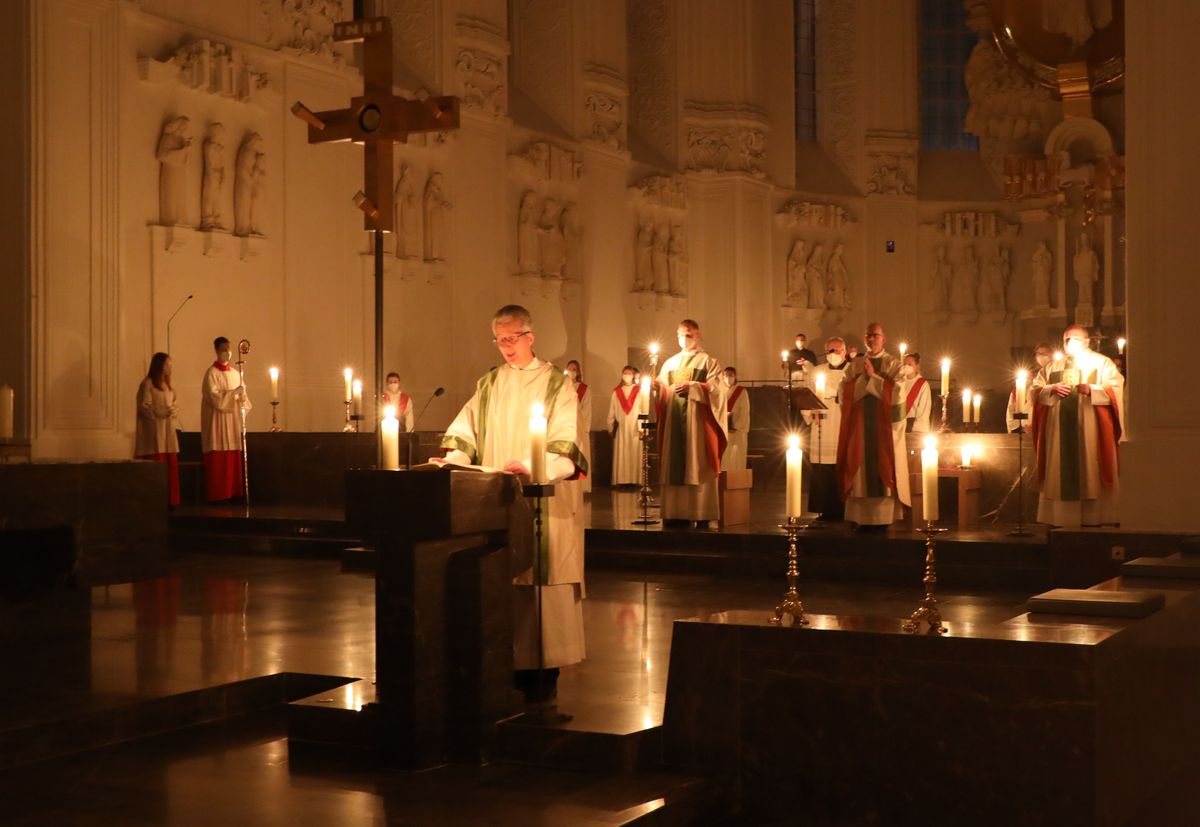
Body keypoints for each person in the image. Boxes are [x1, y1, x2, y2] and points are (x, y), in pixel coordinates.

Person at [439, 305, 587, 701]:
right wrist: (453, 459)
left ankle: (544, 674)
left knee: (540, 582)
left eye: (512, 338)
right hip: (497, 500)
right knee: (503, 580)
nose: (506, 346)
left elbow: (566, 441)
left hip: (543, 501)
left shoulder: (556, 384)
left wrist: (536, 466)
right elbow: (466, 432)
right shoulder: (489, 383)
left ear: (530, 337)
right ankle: (503, 667)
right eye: (500, 340)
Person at [1031, 325, 1123, 527]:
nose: (1070, 343)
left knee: (1090, 468)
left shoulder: (1102, 363)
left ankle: (1094, 518)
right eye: (1066, 339)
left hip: (1091, 430)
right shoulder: (1052, 366)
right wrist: (1051, 388)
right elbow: (1035, 389)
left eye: (1075, 339)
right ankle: (1061, 518)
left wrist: (1093, 389)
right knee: (1059, 471)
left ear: (1087, 341)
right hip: (1058, 431)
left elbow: (1117, 388)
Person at [836, 323, 910, 531]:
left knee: (883, 468)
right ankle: (860, 518)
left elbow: (898, 395)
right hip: (859, 428)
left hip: (884, 430)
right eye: (868, 335)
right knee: (859, 470)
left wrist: (872, 379)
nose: (871, 339)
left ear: (883, 339)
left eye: (875, 335)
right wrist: (865, 379)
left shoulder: (894, 365)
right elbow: (843, 392)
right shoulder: (855, 365)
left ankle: (883, 518)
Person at [655, 319, 727, 527]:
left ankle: (700, 512)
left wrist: (694, 387)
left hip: (697, 427)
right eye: (680, 335)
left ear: (698, 336)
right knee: (674, 465)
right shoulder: (669, 363)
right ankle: (674, 513)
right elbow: (663, 392)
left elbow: (718, 392)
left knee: (697, 465)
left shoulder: (708, 362)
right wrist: (656, 388)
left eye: (688, 335)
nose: (684, 339)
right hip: (674, 425)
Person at [201, 337, 251, 503]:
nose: (227, 353)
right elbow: (213, 398)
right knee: (219, 460)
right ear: (216, 350)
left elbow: (244, 402)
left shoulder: (236, 374)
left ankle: (233, 492)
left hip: (232, 422)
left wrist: (242, 396)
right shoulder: (211, 374)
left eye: (228, 349)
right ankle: (218, 494)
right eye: (223, 350)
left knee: (232, 456)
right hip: (218, 422)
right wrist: (233, 393)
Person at [803, 337, 847, 522]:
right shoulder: (817, 371)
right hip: (821, 425)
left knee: (841, 466)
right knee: (822, 468)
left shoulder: (851, 371)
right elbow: (806, 394)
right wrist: (810, 412)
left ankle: (843, 508)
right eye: (829, 350)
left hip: (842, 424)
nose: (833, 354)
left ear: (844, 352)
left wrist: (837, 394)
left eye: (836, 350)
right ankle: (823, 508)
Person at [136, 352, 181, 507]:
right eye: (167, 364)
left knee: (171, 467)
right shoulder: (148, 384)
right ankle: (156, 501)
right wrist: (159, 412)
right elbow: (144, 406)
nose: (169, 368)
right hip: (155, 434)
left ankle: (171, 500)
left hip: (168, 432)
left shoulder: (168, 386)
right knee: (157, 466)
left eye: (171, 365)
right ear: (159, 365)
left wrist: (173, 410)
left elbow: (174, 403)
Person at [606, 366, 642, 487]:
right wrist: (610, 427)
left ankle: (635, 480)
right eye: (624, 373)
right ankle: (622, 480)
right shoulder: (617, 392)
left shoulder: (639, 391)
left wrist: (642, 428)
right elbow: (611, 412)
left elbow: (643, 409)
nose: (627, 376)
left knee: (634, 453)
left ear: (633, 375)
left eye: (629, 373)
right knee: (622, 454)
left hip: (635, 427)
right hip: (621, 428)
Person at [1006, 343, 1052, 433]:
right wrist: (1020, 428)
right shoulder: (1023, 385)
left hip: (1046, 428)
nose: (1042, 357)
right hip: (1024, 429)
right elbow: (1012, 409)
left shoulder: (1054, 380)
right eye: (1039, 354)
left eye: (1045, 354)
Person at [565, 360, 592, 494]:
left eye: (574, 369)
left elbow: (587, 410)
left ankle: (582, 486)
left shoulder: (584, 388)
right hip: (565, 425)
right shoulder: (563, 387)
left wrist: (585, 428)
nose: (571, 372)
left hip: (579, 426)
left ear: (578, 372)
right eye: (569, 369)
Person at [723, 367, 750, 472]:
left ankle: (738, 479)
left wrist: (735, 425)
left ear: (735, 376)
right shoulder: (720, 391)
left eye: (731, 375)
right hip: (724, 430)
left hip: (737, 431)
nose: (728, 377)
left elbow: (745, 411)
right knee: (725, 459)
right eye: (726, 375)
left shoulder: (741, 392)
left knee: (737, 458)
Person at [899, 352, 932, 434]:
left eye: (910, 364)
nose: (906, 367)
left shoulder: (923, 384)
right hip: (899, 426)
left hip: (914, 428)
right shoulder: (899, 382)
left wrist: (915, 429)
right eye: (905, 364)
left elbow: (923, 411)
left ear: (917, 367)